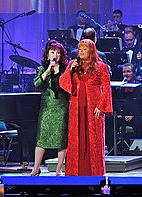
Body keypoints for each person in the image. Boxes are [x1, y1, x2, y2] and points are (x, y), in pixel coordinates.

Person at [59, 39, 113, 176]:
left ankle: (94, 172)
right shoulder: (73, 64)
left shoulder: (101, 67)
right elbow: (63, 84)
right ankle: (74, 173)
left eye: (84, 49)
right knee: (76, 139)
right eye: (80, 49)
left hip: (94, 109)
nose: (81, 52)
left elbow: (106, 88)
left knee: (93, 139)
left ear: (91, 50)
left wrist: (101, 106)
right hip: (76, 108)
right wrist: (69, 71)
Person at [31, 40, 70, 176]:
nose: (55, 54)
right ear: (48, 54)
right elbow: (37, 84)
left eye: (58, 52)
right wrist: (48, 70)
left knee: (61, 138)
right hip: (47, 106)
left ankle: (59, 170)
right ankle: (35, 168)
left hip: (62, 106)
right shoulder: (42, 69)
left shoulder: (66, 69)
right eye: (53, 52)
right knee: (42, 137)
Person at [105, 63, 142, 153]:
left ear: (134, 73)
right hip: (121, 117)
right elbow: (115, 104)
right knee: (108, 119)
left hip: (134, 117)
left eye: (128, 71)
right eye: (124, 72)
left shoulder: (141, 89)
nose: (126, 74)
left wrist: (134, 115)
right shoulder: (119, 89)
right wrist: (118, 114)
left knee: (141, 120)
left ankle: (137, 149)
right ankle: (114, 149)